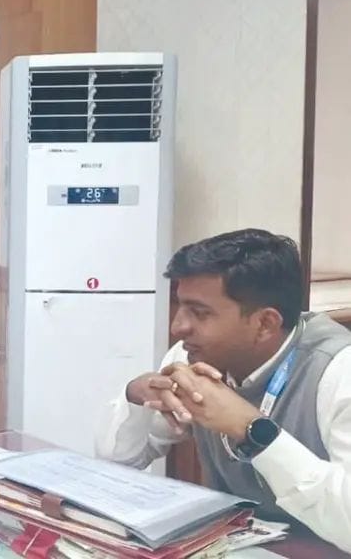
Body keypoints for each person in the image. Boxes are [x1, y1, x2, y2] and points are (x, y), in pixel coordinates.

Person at [96, 229, 351, 552]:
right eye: (180, 305)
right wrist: (135, 396)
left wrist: (252, 430)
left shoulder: (338, 371)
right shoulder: (190, 358)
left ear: (265, 324)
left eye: (200, 313)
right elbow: (118, 464)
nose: (178, 326)